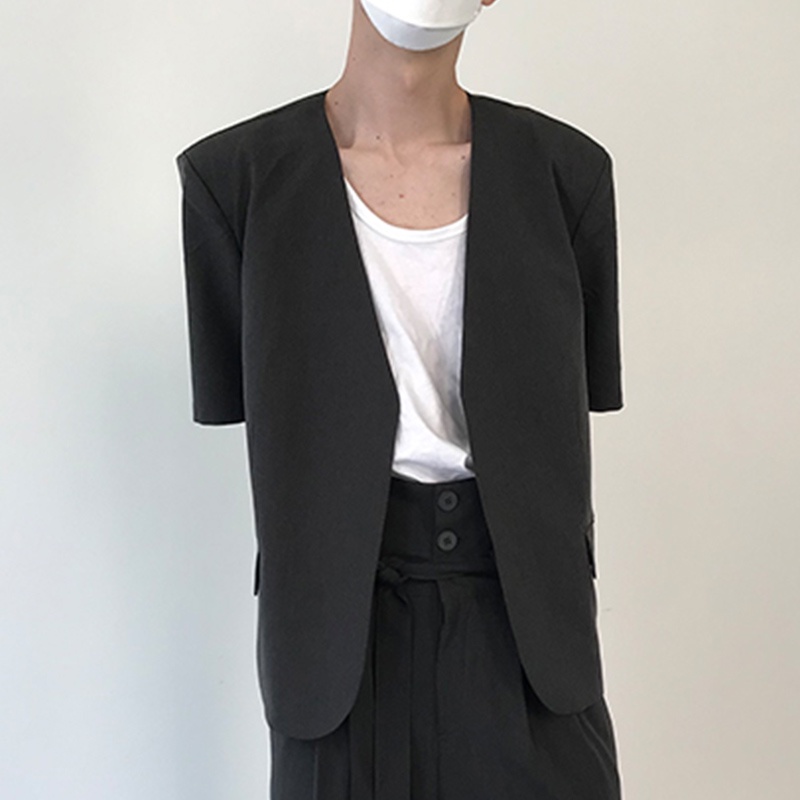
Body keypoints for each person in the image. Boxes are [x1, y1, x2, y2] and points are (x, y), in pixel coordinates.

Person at [175, 1, 625, 797]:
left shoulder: (566, 175)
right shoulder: (233, 181)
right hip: (335, 646)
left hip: (528, 634)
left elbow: (567, 402)